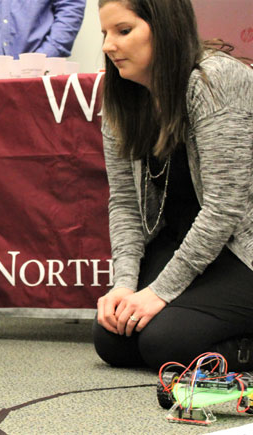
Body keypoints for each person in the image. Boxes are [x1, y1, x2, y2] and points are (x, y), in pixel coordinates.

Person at [93, 0, 253, 371]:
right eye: (105, 33)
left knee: (168, 344)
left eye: (123, 31)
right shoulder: (122, 96)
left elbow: (224, 207)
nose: (107, 46)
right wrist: (125, 285)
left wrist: (160, 292)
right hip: (187, 243)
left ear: (163, 27)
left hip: (240, 248)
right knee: (114, 338)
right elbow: (124, 204)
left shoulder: (216, 80)